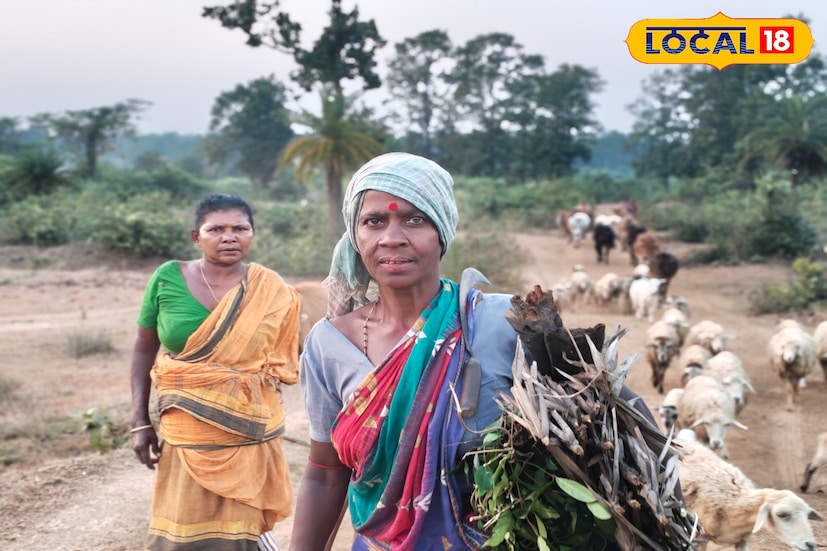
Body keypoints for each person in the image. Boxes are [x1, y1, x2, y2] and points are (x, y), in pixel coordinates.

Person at [290, 153, 658, 550]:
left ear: (443, 231)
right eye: (374, 221)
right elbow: (326, 473)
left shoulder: (501, 323)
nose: (392, 237)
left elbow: (604, 437)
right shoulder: (329, 344)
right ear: (355, 233)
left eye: (415, 219)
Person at [129, 193, 301, 551]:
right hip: (185, 428)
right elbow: (144, 349)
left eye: (240, 228)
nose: (229, 237)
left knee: (242, 532)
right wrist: (140, 421)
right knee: (182, 529)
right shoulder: (167, 278)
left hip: (247, 431)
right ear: (197, 236)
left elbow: (282, 360)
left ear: (252, 233)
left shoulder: (270, 289)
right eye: (216, 229)